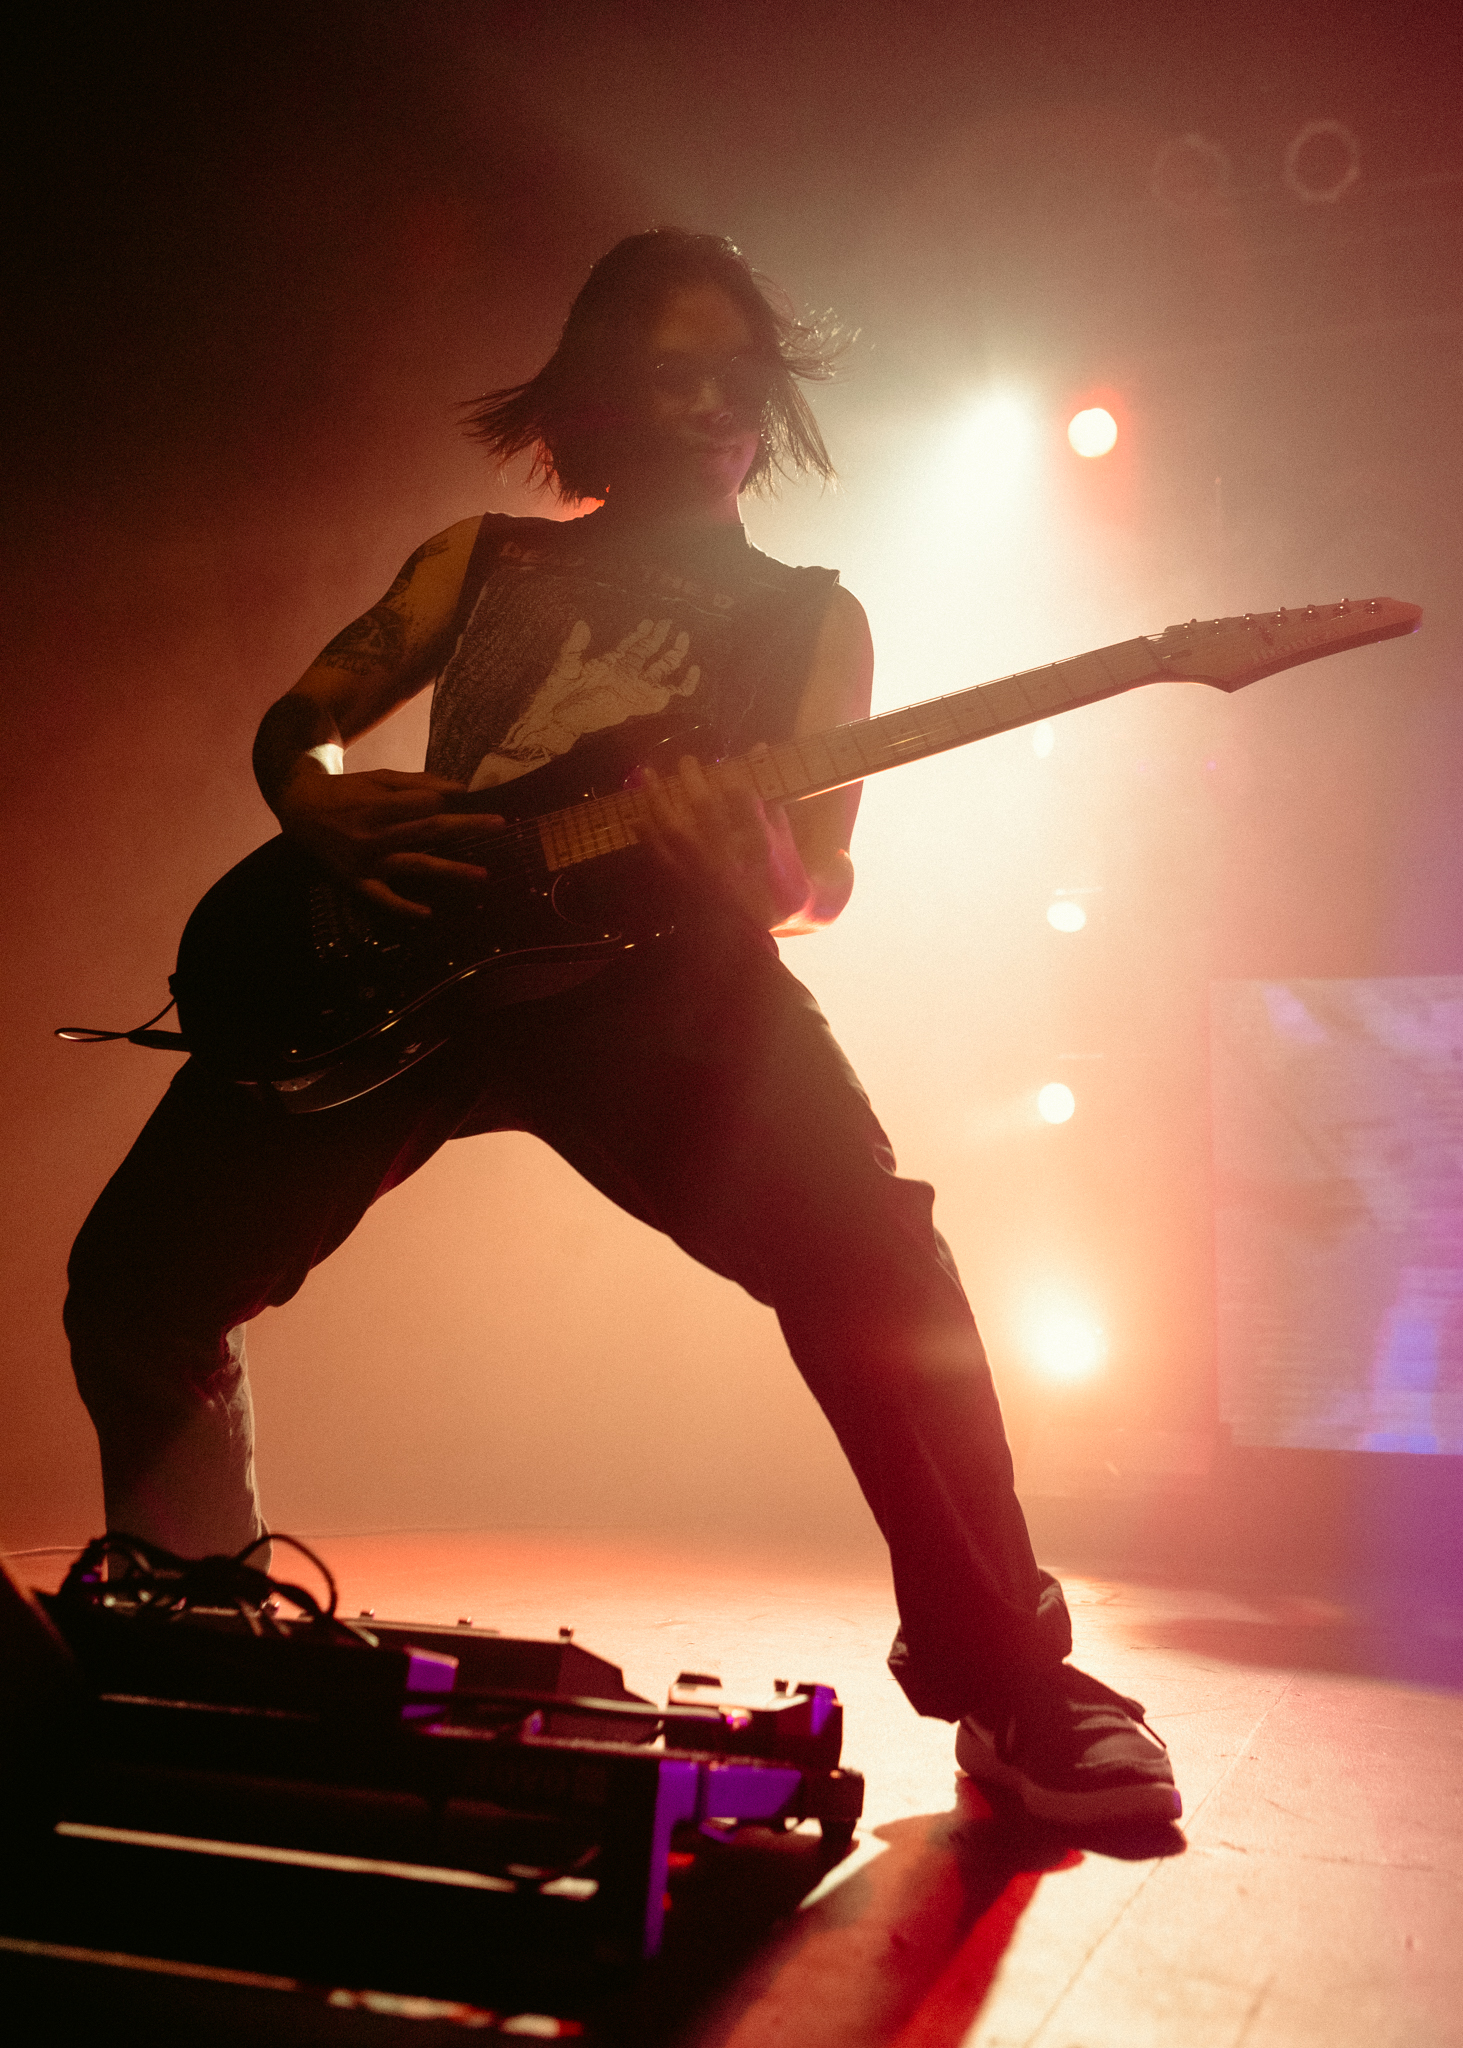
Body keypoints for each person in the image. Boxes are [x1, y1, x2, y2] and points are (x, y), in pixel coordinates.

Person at [65, 230, 1179, 1826]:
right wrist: (308, 793)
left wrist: (770, 879)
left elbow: (821, 881)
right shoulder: (484, 558)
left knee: (877, 1261)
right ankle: (200, 1641)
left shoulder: (810, 616)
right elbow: (306, 716)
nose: (716, 395)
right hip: (418, 954)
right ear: (596, 389)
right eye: (672, 366)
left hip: (664, 978)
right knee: (137, 1281)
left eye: (739, 367)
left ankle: (1010, 1679)